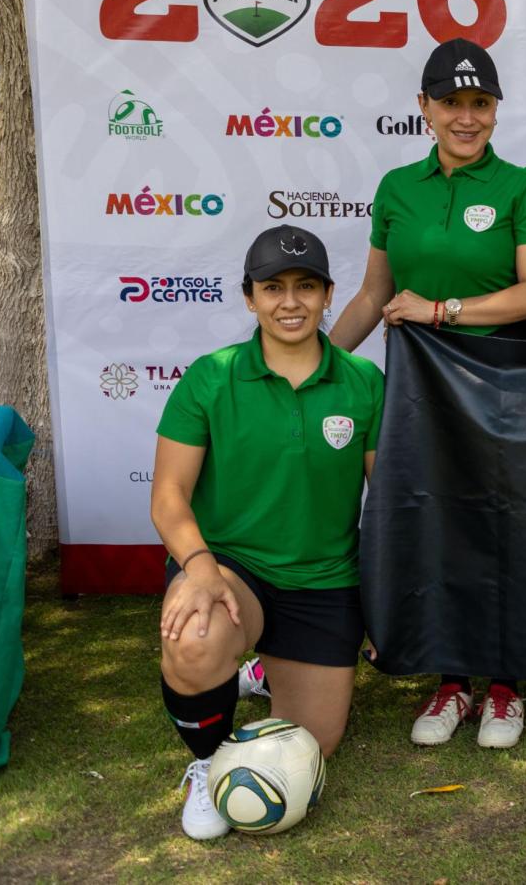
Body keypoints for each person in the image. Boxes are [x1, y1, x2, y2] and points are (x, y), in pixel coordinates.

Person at [331, 38, 526, 749]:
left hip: (503, 389)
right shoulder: (398, 187)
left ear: (496, 110)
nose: (466, 116)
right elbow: (374, 294)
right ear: (423, 108)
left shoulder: (521, 188)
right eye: (451, 102)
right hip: (420, 396)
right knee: (438, 530)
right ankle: (452, 680)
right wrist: (317, 363)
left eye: (479, 103)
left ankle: (505, 685)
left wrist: (441, 311)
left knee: (503, 530)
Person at [153, 225, 383, 840]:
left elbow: (389, 502)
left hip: (324, 579)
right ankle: (206, 765)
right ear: (249, 297)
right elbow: (168, 496)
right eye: (273, 287)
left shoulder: (364, 381)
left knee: (311, 745)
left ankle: (261, 669)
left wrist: (391, 607)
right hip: (233, 568)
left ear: (328, 295)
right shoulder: (212, 376)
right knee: (197, 636)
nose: (290, 302)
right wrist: (199, 568)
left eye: (306, 286)